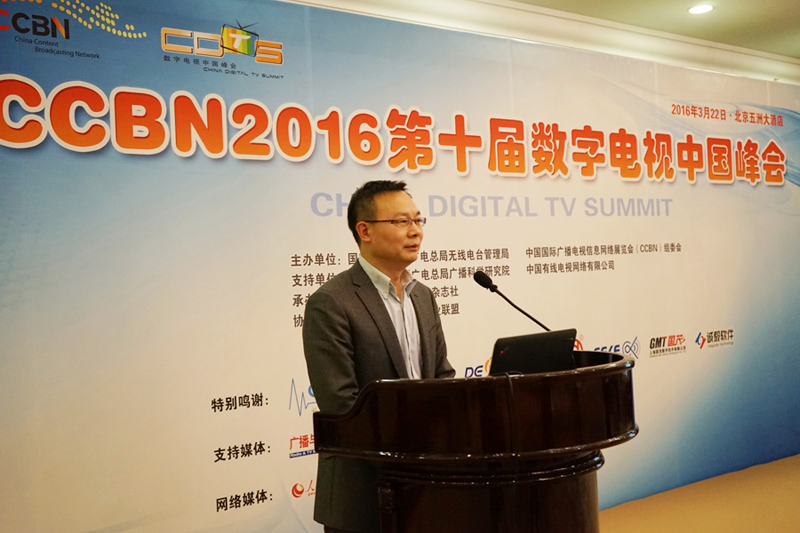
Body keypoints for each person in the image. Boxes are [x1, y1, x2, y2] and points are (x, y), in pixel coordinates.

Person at [303, 180, 455, 533]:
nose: (415, 231)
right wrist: (414, 440)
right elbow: (341, 405)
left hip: (424, 486)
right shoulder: (332, 302)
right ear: (365, 231)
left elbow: (441, 377)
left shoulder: (423, 296)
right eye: (401, 221)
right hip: (362, 494)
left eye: (418, 220)